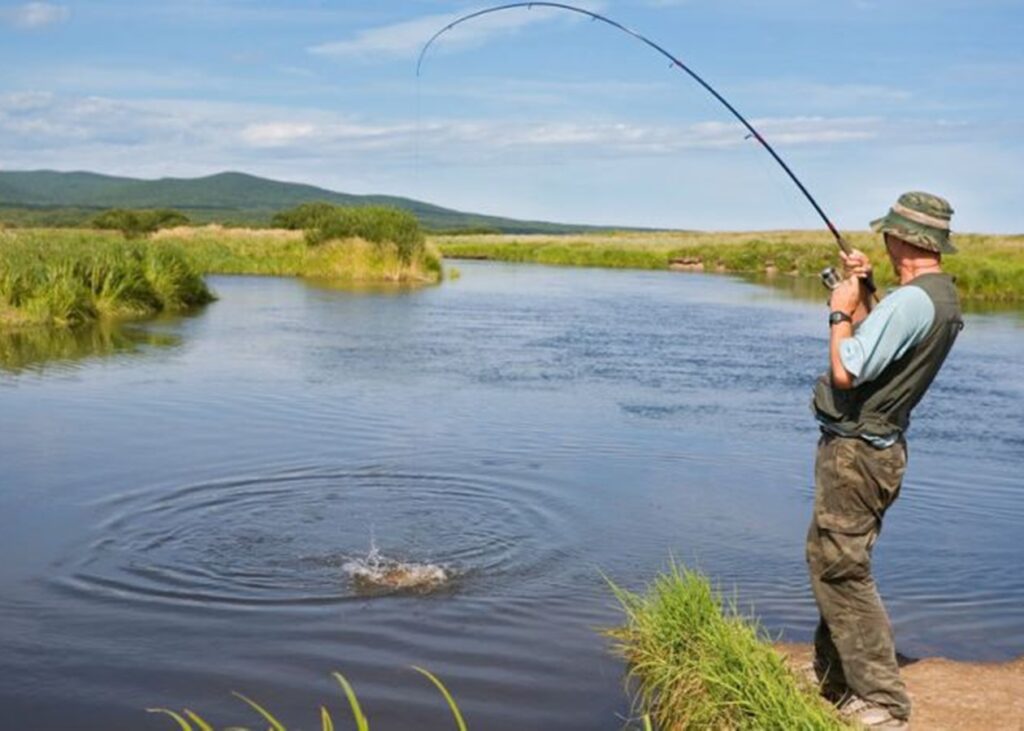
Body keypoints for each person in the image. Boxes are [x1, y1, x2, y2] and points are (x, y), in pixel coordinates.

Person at [806, 192, 964, 729]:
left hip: (858, 455)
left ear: (903, 239)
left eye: (888, 233)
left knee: (843, 568)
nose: (883, 240)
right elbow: (883, 344)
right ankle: (834, 675)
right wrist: (868, 288)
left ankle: (882, 701)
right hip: (877, 450)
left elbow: (848, 369)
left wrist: (839, 309)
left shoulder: (912, 301)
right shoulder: (936, 296)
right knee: (831, 558)